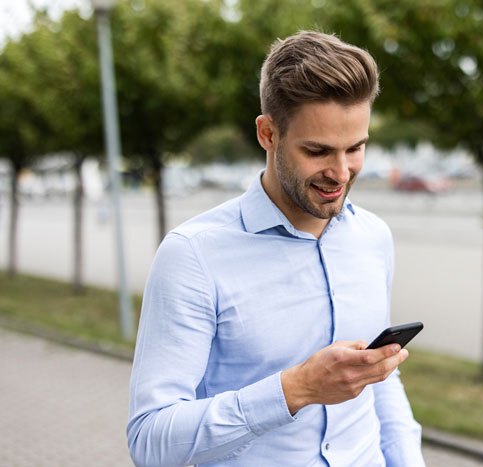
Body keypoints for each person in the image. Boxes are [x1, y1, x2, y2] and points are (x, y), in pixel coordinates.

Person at [127, 31, 425, 467]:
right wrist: (295, 389)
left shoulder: (374, 237)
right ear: (268, 133)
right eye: (318, 150)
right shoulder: (192, 256)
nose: (341, 172)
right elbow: (150, 441)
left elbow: (381, 383)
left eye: (356, 148)